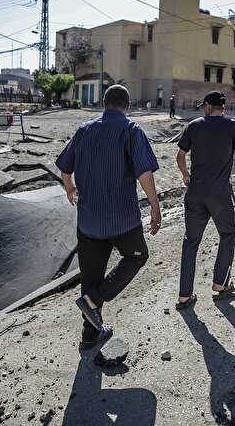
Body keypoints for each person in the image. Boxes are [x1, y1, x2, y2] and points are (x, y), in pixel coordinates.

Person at [55, 85, 162, 349]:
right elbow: (144, 173)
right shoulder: (131, 130)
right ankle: (94, 302)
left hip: (89, 220)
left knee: (90, 276)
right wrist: (155, 207)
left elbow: (64, 168)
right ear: (128, 106)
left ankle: (89, 336)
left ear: (104, 104)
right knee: (137, 256)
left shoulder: (84, 130)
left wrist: (69, 188)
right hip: (122, 219)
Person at [174, 90, 235, 310]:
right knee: (228, 234)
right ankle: (219, 285)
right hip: (220, 193)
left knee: (191, 241)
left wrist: (186, 175)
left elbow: (180, 156)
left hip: (195, 191)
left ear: (206, 106)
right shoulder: (231, 125)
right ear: (222, 108)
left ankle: (184, 295)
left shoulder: (194, 126)